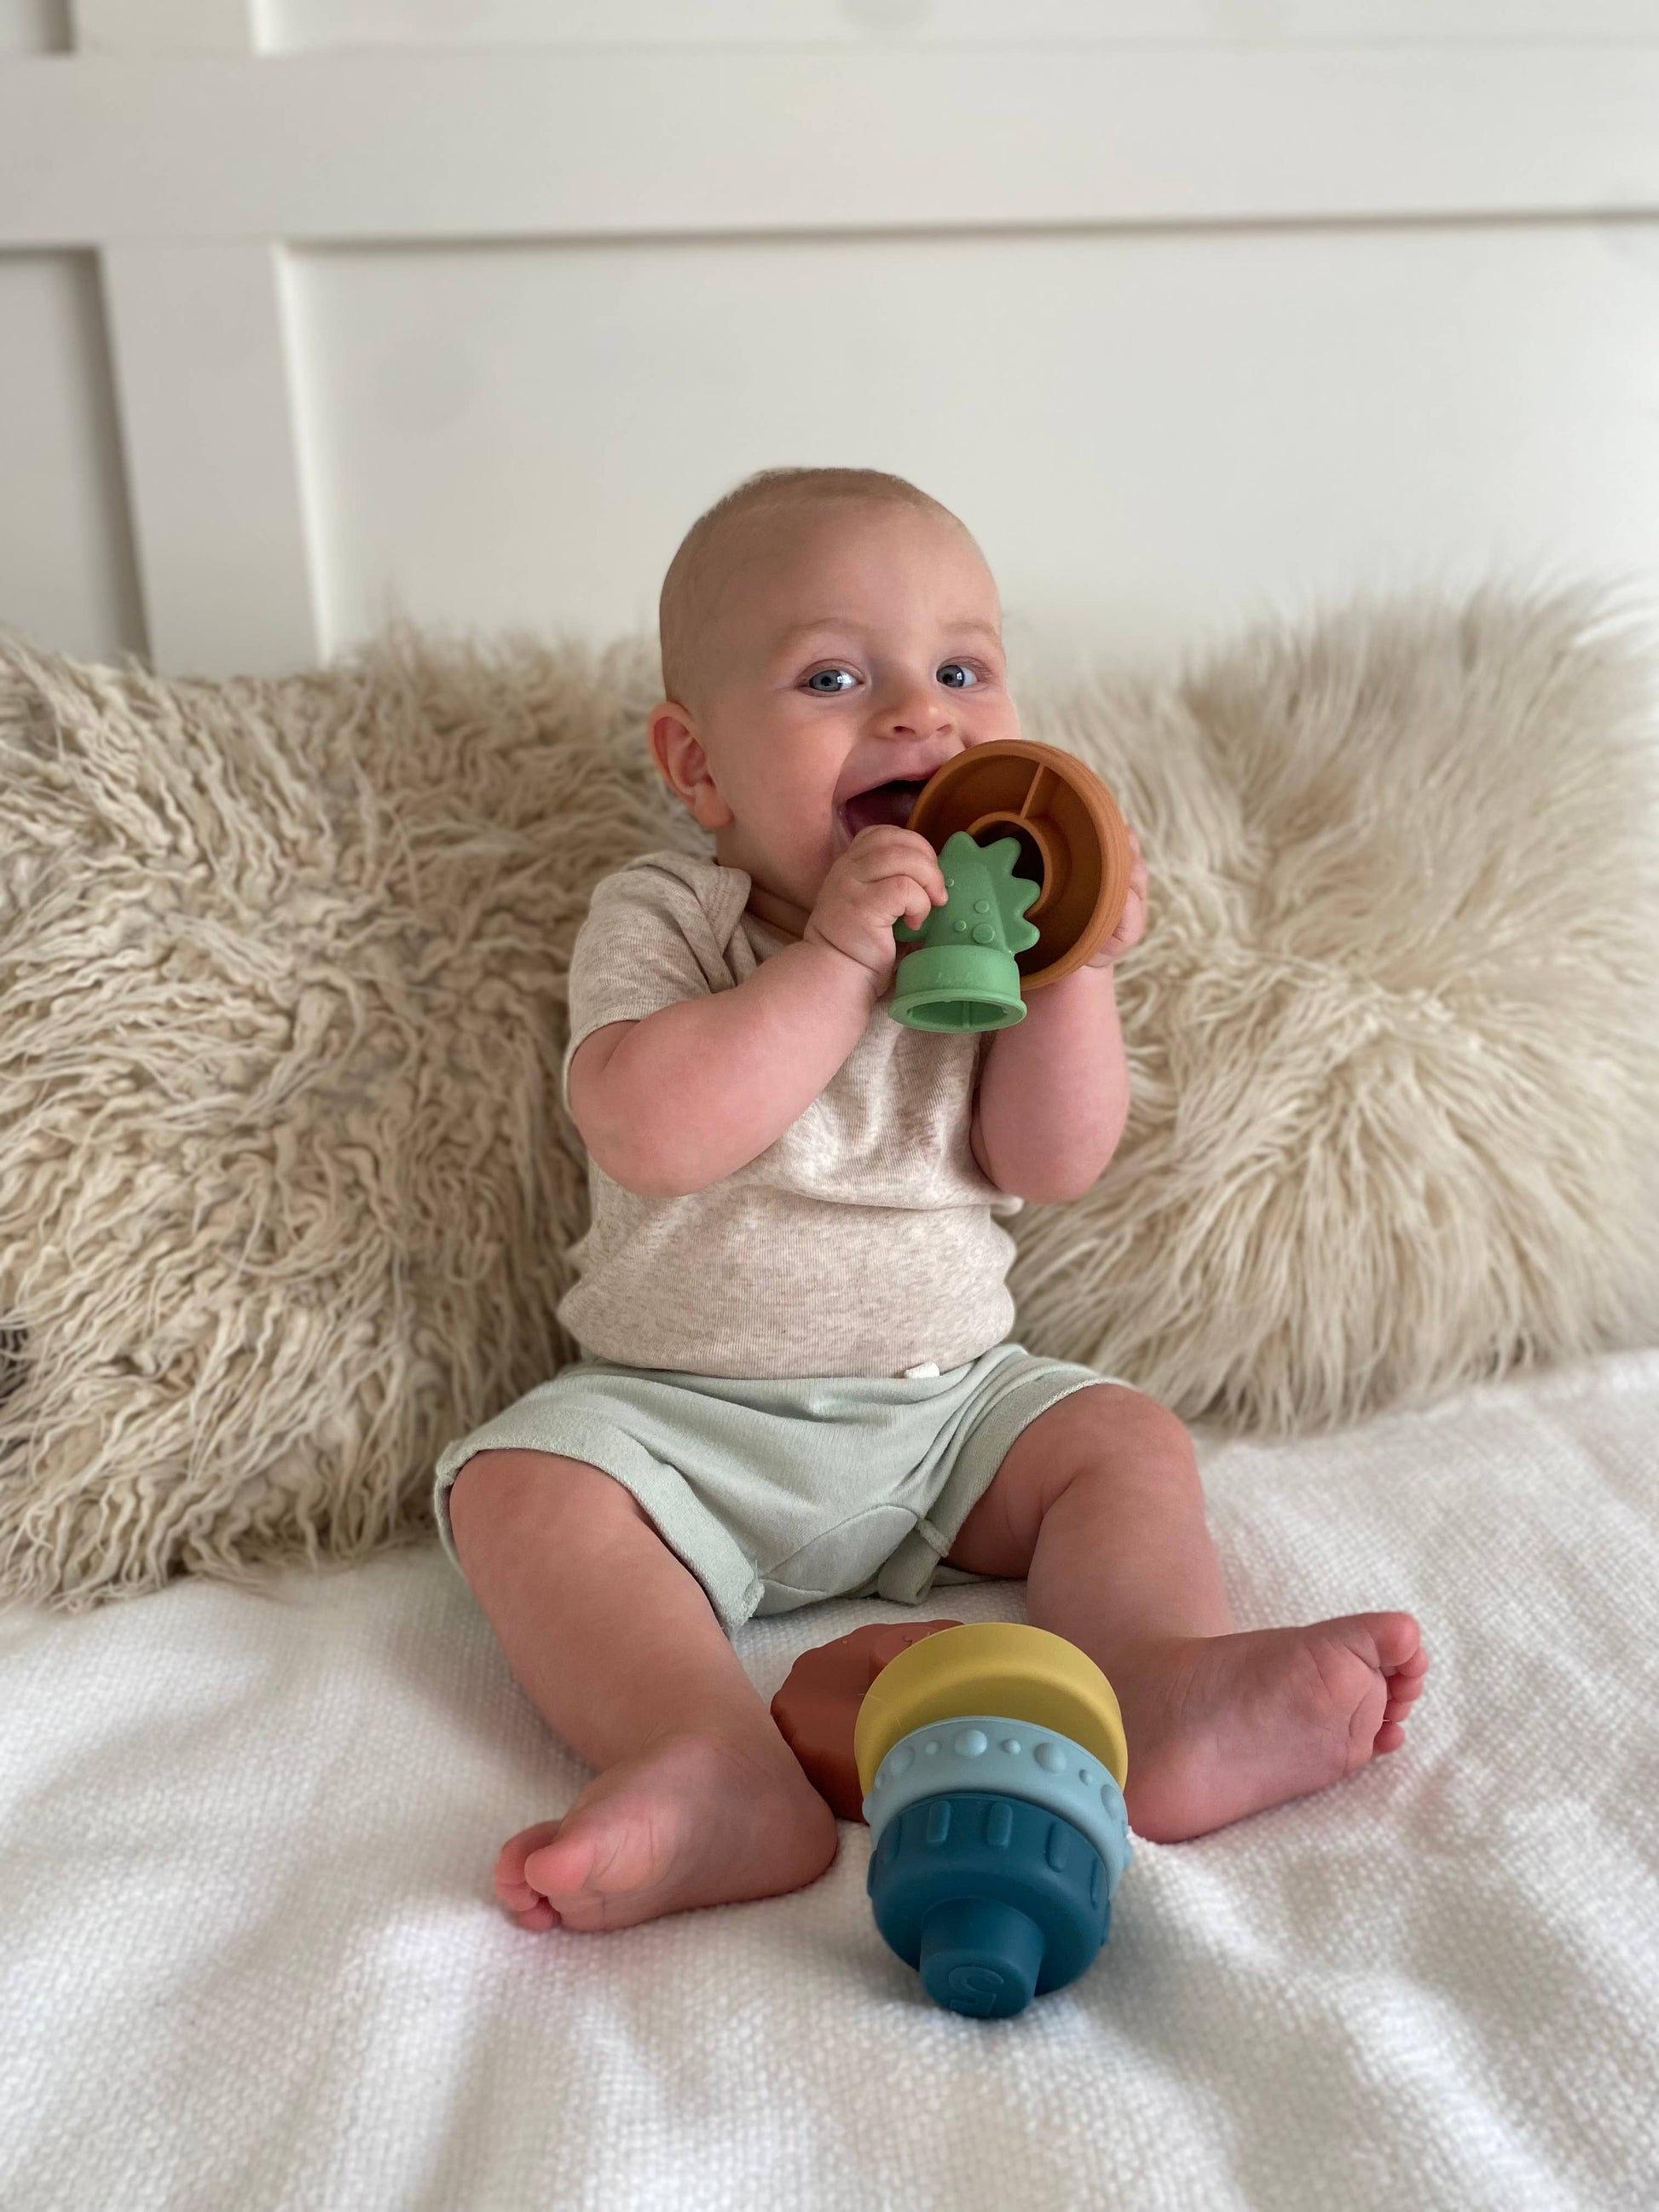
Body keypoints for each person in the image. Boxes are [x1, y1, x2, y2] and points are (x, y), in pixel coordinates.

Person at [435, 467, 1430, 1935]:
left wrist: (1074, 972)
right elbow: (652, 1131)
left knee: (1119, 1437)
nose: (919, 715)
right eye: (834, 678)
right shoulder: (668, 916)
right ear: (697, 764)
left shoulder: (998, 939)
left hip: (951, 1411)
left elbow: (1048, 1161)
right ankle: (709, 1762)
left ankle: (1152, 1690)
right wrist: (833, 963)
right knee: (520, 1492)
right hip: (682, 1422)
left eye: (961, 671)